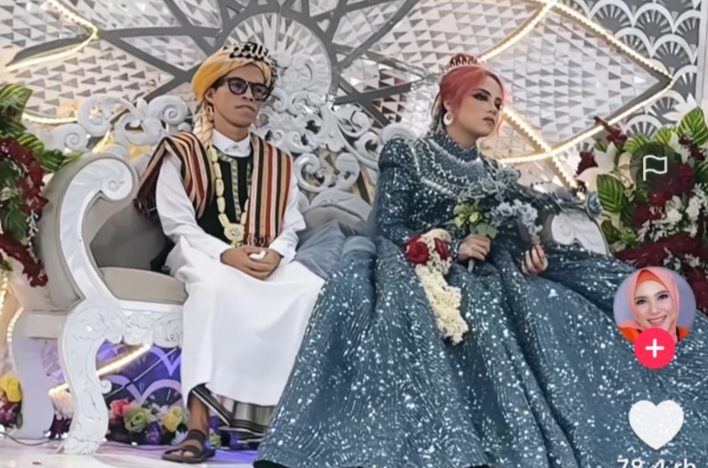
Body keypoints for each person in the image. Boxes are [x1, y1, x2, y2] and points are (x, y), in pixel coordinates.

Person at [254, 54, 708, 467]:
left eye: (498, 102)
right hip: (418, 262)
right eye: (481, 97)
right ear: (449, 103)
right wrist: (451, 246)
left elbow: (513, 232)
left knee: (571, 306)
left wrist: (531, 257)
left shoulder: (495, 174)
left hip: (491, 270)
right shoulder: (408, 154)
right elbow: (391, 225)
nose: (493, 109)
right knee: (473, 310)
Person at [134, 42, 324, 463]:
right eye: (237, 86)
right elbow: (178, 225)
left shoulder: (278, 162)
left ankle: (285, 427)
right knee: (214, 289)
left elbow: (291, 225)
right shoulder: (182, 150)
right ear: (211, 93)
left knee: (310, 289)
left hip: (262, 259)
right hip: (198, 254)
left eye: (258, 91)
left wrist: (277, 254)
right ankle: (197, 429)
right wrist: (226, 255)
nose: (249, 97)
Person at [619, 267, 690, 344]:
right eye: (642, 302)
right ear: (632, 307)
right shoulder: (621, 334)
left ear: (675, 299)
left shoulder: (691, 336)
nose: (654, 310)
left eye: (662, 297)